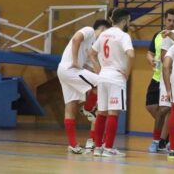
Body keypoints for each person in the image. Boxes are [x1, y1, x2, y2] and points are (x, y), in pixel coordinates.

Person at [57, 19, 111, 154]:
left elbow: (89, 67)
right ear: (103, 29)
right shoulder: (89, 31)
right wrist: (75, 61)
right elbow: (76, 39)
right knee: (102, 83)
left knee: (70, 106)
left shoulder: (92, 47)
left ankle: (73, 145)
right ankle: (87, 109)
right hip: (70, 69)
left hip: (64, 71)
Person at [90, 8, 135, 157]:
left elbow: (91, 53)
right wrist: (127, 74)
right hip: (116, 77)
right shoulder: (123, 36)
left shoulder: (103, 34)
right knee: (113, 114)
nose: (129, 23)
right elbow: (131, 54)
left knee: (101, 113)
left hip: (103, 76)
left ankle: (98, 147)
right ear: (124, 20)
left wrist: (98, 69)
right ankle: (108, 148)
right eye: (128, 20)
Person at [146, 9, 174, 153]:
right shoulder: (158, 35)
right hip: (156, 76)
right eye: (169, 20)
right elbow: (150, 52)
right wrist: (151, 60)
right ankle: (164, 135)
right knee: (151, 106)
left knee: (166, 110)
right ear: (165, 20)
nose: (171, 23)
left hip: (170, 78)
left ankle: (162, 140)